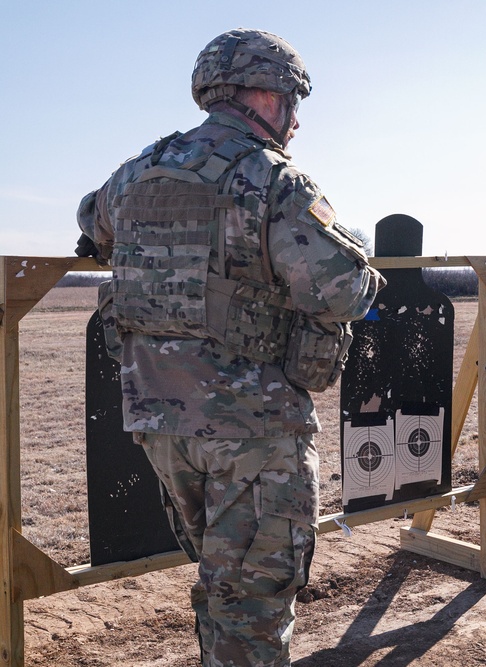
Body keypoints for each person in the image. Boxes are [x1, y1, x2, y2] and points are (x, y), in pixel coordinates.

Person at [75, 28, 384, 666]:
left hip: (161, 422)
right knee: (253, 605)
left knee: (221, 586)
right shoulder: (272, 180)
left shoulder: (139, 170)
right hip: (254, 432)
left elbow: (91, 220)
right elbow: (343, 289)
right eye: (294, 101)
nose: (297, 119)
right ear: (266, 95)